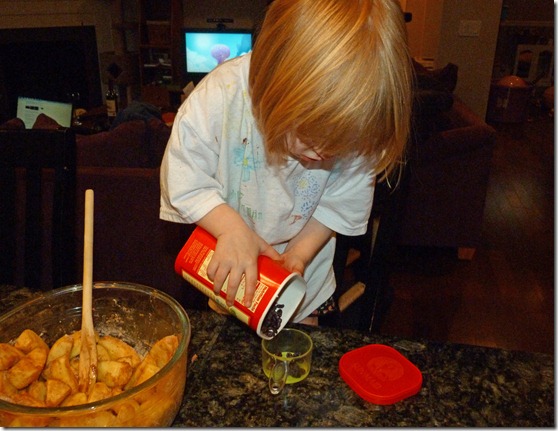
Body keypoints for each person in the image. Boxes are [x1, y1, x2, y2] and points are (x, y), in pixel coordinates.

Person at [160, 0, 413, 325]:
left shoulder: (360, 123)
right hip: (226, 275)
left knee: (300, 346)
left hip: (305, 286)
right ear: (273, 82)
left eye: (339, 147)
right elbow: (184, 181)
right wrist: (232, 229)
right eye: (310, 135)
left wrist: (298, 256)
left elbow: (335, 208)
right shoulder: (219, 96)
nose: (323, 155)